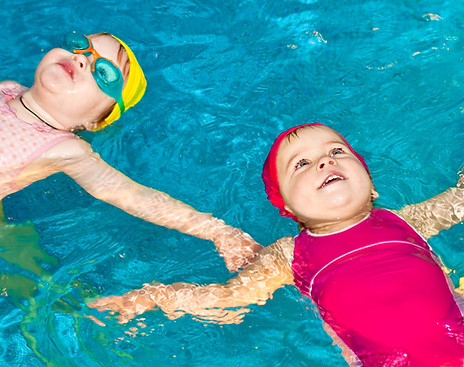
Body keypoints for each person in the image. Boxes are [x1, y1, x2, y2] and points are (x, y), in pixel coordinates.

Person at [89, 123, 464, 366]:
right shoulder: (290, 255)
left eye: (336, 152)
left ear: (369, 178)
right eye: (301, 164)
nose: (323, 162)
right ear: (286, 206)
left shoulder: (408, 220)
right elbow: (229, 297)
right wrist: (151, 297)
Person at [0, 31, 259, 271]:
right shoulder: (8, 88)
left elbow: (131, 195)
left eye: (103, 73)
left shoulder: (66, 149)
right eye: (79, 46)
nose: (81, 60)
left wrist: (217, 231)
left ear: (95, 121)